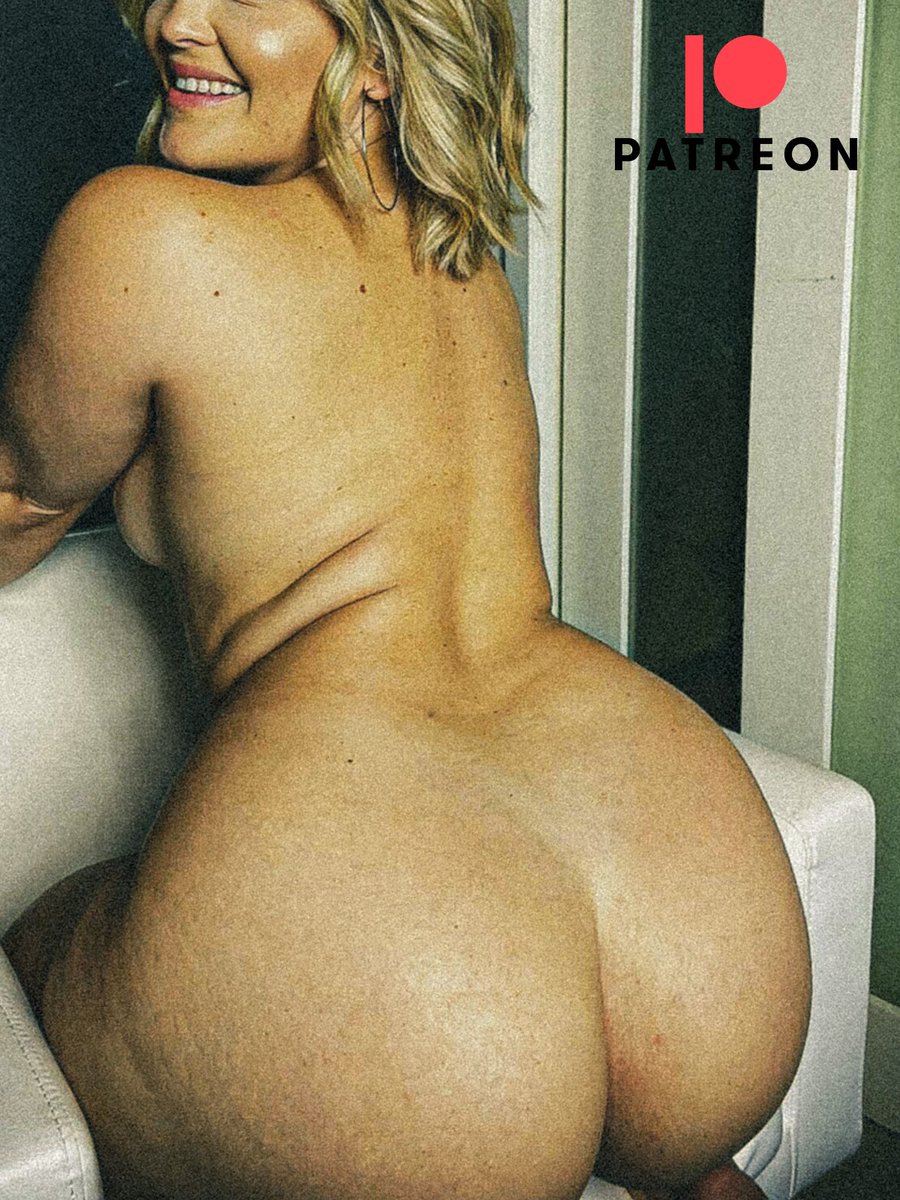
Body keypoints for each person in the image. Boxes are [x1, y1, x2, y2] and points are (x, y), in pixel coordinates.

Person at [0, 2, 811, 1198]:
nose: (176, 20)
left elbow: (17, 504)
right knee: (694, 1174)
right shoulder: (463, 252)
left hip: (395, 974)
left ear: (380, 52)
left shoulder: (141, 232)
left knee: (41, 940)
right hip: (681, 880)